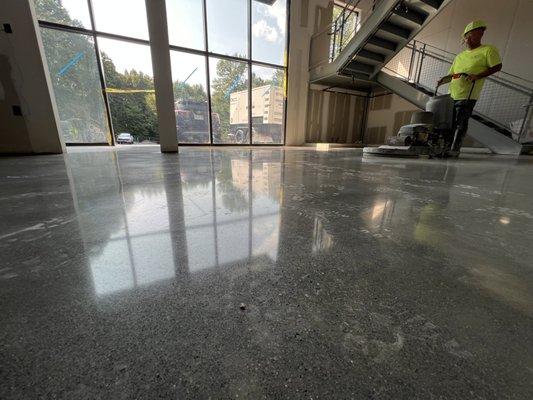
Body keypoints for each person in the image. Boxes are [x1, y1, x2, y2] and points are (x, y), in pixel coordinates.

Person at [437, 20, 503, 157]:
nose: (470, 38)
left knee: (460, 123)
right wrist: (443, 80)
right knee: (449, 123)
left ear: (480, 34)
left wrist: (477, 76)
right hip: (452, 94)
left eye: (479, 32)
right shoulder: (459, 56)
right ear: (465, 37)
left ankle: (454, 149)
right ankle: (445, 147)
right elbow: (452, 74)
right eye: (468, 36)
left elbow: (497, 66)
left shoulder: (488, 50)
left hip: (468, 94)